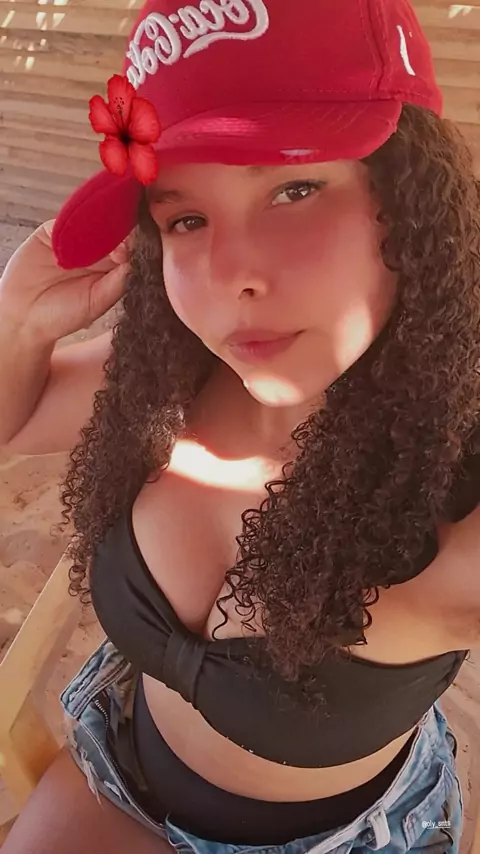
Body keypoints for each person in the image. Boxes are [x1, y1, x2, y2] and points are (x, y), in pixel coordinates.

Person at [0, 0, 479, 852]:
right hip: (119, 765)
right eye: (185, 218)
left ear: (412, 204)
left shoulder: (451, 498)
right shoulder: (170, 377)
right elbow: (14, 419)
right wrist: (20, 324)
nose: (229, 276)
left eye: (294, 189)